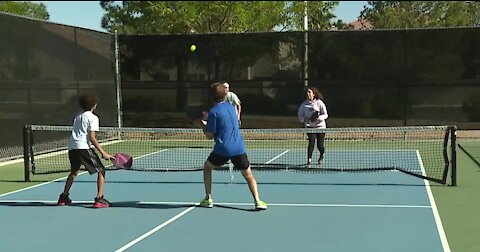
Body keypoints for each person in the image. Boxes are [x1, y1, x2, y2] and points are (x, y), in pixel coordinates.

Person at [198, 82, 267, 210]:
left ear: (212, 97)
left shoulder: (213, 112)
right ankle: (257, 201)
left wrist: (204, 125)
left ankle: (208, 198)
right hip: (238, 148)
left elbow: (209, 135)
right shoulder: (231, 107)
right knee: (249, 175)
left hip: (222, 150)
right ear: (224, 96)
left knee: (207, 167)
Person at [57, 93, 114, 208]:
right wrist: (103, 153)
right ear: (95, 105)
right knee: (101, 170)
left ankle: (63, 197)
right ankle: (99, 199)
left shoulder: (78, 116)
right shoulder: (93, 118)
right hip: (83, 147)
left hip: (72, 147)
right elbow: (92, 137)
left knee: (74, 171)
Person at [297, 87, 328, 165]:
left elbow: (325, 114)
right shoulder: (303, 105)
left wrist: (319, 118)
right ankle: (309, 159)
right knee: (311, 142)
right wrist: (304, 120)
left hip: (320, 127)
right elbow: (300, 115)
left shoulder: (319, 103)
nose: (308, 94)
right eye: (307, 92)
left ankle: (322, 154)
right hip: (310, 127)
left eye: (309, 92)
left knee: (320, 145)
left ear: (314, 94)